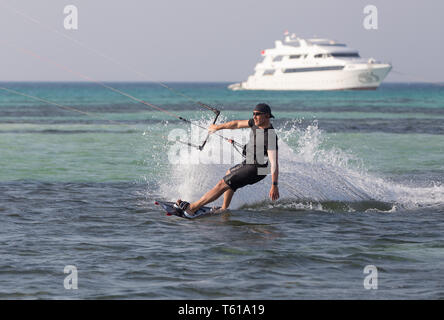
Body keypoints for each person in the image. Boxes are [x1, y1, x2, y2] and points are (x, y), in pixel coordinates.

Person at [175, 103, 279, 216]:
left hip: (258, 169)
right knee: (229, 174)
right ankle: (224, 208)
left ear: (267, 116)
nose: (254, 117)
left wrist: (274, 185)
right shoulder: (255, 123)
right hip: (251, 162)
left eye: (257, 114)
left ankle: (192, 208)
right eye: (253, 114)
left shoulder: (270, 136)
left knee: (222, 184)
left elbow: (274, 164)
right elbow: (237, 124)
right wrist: (217, 127)